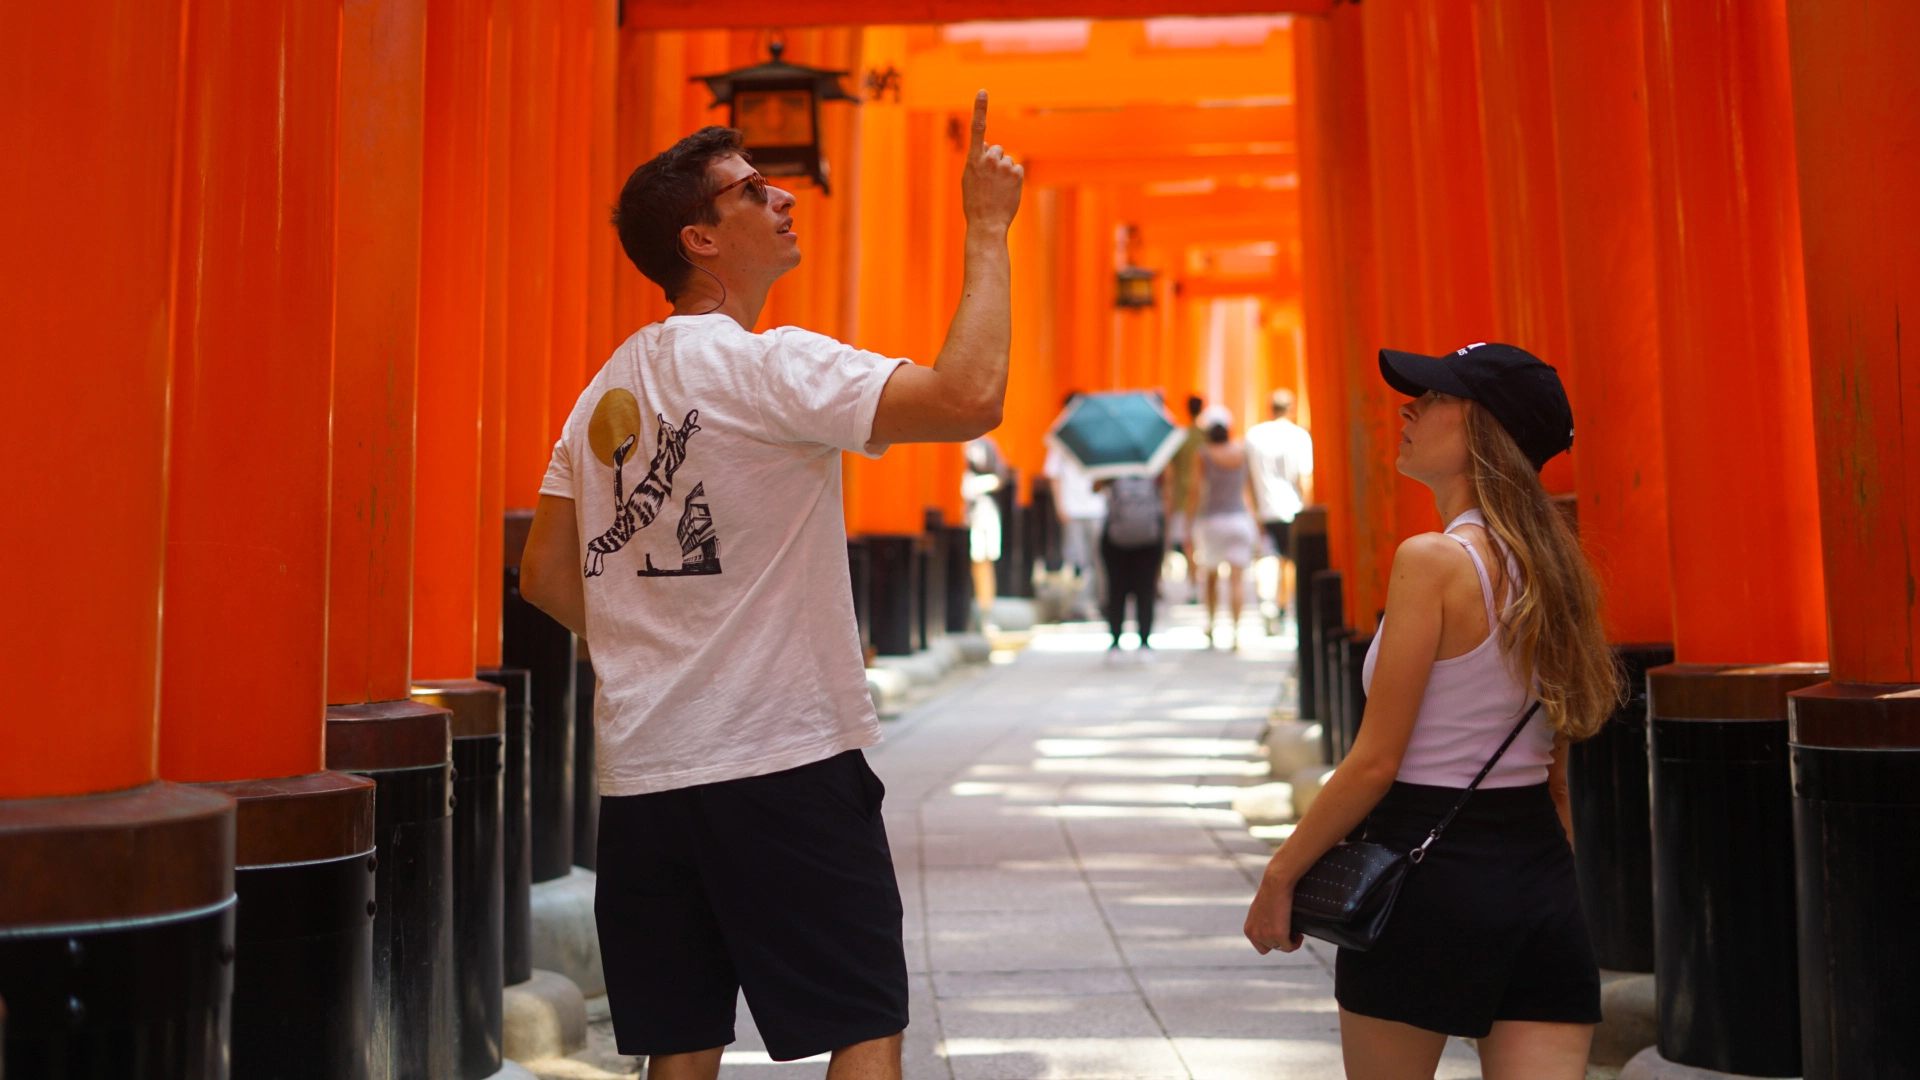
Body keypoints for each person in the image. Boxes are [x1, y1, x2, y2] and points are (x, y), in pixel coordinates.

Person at [517, 95, 1023, 1080]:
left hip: (645, 772)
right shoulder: (771, 369)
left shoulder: (604, 390)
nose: (783, 197)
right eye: (752, 192)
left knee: (681, 1042)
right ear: (701, 239)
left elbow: (544, 571)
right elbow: (967, 399)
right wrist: (989, 228)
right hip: (782, 756)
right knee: (862, 1017)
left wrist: (654, 633)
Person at [1241, 343, 1619, 1080]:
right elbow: (1556, 773)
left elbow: (1376, 761)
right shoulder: (1560, 567)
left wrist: (1281, 875)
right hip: (1538, 875)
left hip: (1427, 872)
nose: (1408, 410)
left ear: (1484, 428)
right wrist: (1548, 889)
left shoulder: (1434, 561)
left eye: (1435, 397)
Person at [1187, 406, 1259, 649]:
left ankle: (1211, 625)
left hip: (1212, 520)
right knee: (1237, 579)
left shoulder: (1204, 454)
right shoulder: (1241, 453)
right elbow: (1250, 490)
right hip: (1239, 518)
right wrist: (1257, 522)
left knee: (1210, 577)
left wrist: (1189, 521)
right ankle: (1237, 633)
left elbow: (1196, 490)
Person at [1244, 388, 1314, 625]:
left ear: (1270, 408)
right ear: (1291, 409)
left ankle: (1266, 602)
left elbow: (1248, 479)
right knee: (1288, 559)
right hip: (1292, 506)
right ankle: (1282, 606)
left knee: (1266, 556)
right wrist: (1307, 506)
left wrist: (1253, 508)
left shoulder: (1254, 436)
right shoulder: (1299, 436)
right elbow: (1305, 477)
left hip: (1264, 506)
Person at [1043, 392, 1106, 621]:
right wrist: (1060, 505)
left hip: (1097, 507)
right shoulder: (1061, 437)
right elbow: (1054, 475)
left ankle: (1099, 602)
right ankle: (1078, 604)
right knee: (1077, 559)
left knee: (1099, 558)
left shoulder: (1098, 434)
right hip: (1073, 507)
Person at [1096, 471, 1165, 662]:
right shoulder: (1153, 467)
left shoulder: (1113, 468)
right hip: (1149, 539)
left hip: (1115, 539)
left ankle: (1115, 643)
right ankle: (1144, 642)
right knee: (1146, 590)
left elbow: (1094, 488)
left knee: (1116, 590)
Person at [962, 436, 1006, 628]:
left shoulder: (985, 445)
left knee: (982, 561)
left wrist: (980, 484)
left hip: (981, 509)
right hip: (960, 511)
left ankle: (986, 611)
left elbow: (1001, 476)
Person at [1165, 394, 1206, 593]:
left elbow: (1170, 473)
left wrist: (1169, 500)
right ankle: (1199, 581)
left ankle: (1194, 582)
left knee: (1188, 540)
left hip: (1182, 497)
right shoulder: (1206, 436)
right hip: (1205, 497)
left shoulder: (1180, 437)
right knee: (1198, 541)